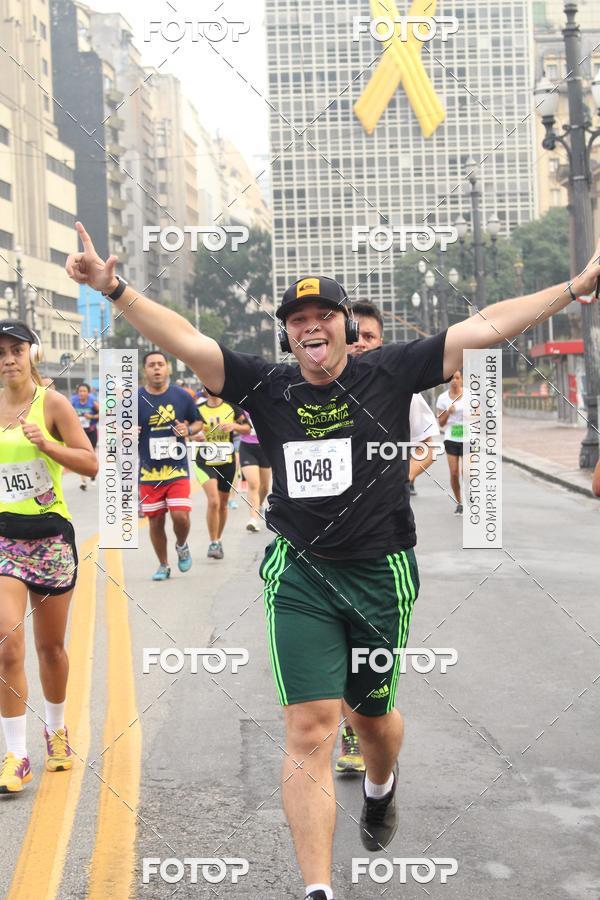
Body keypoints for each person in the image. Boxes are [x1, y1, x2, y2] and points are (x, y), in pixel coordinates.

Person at [66, 222, 600, 900]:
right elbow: (186, 340)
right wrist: (113, 288)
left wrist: (573, 287)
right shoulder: (264, 385)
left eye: (323, 316)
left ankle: (381, 783)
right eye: (297, 319)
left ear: (346, 326)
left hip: (379, 573)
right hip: (301, 574)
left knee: (370, 719)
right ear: (287, 334)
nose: (310, 326)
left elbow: (486, 326)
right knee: (309, 728)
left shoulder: (391, 370)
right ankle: (317, 889)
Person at [335, 300, 440, 776]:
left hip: (382, 547)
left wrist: (399, 477)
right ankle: (350, 732)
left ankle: (369, 728)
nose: (360, 344)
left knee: (370, 658)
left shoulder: (397, 389)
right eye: (354, 335)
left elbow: (428, 443)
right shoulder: (312, 388)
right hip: (323, 550)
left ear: (380, 343)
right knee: (334, 647)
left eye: (370, 337)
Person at [0, 320, 98, 794]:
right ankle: (15, 755)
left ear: (32, 354)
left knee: (50, 648)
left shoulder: (53, 404)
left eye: (16, 349)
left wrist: (47, 444)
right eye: (0, 352)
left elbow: (91, 463)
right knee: (6, 643)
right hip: (4, 540)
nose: (8, 359)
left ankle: (56, 730)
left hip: (50, 540)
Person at [138, 350, 203, 581]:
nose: (156, 368)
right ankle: (163, 564)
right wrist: (125, 431)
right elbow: (116, 427)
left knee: (180, 516)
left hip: (177, 469)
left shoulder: (182, 396)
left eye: (160, 364)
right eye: (151, 365)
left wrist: (188, 430)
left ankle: (182, 544)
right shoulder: (134, 399)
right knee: (155, 521)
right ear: (144, 370)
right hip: (149, 472)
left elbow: (198, 423)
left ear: (168, 368)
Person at [193, 395, 250, 558]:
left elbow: (247, 428)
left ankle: (218, 539)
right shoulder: (198, 409)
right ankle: (213, 542)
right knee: (214, 501)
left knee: (223, 504)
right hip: (204, 460)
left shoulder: (231, 407)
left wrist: (234, 426)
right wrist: (194, 436)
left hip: (226, 461)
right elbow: (187, 431)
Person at [436, 370, 464, 515]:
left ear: (462, 379)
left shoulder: (470, 395)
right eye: (452, 378)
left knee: (468, 473)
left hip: (469, 437)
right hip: (451, 437)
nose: (454, 381)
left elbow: (480, 416)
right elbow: (441, 423)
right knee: (454, 473)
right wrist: (447, 412)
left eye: (457, 378)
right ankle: (459, 502)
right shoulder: (442, 398)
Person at [239, 409, 272, 533]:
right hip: (247, 447)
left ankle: (259, 504)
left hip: (265, 447)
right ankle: (253, 519)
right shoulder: (240, 404)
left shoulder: (266, 403)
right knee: (253, 484)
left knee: (265, 487)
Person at [71, 383, 99, 491]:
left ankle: (92, 474)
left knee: (91, 454)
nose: (82, 393)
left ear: (88, 393)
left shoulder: (93, 401)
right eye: (80, 391)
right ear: (77, 393)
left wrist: (91, 416)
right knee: (80, 455)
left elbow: (103, 414)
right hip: (79, 432)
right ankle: (83, 481)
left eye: (84, 391)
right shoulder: (73, 401)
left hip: (91, 431)